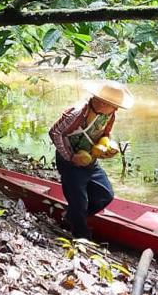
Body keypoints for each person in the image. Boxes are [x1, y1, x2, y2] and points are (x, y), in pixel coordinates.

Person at [48, 80, 134, 239]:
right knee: (79, 201)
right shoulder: (77, 113)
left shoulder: (109, 114)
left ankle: (71, 217)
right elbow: (55, 132)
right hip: (70, 163)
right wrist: (70, 157)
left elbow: (105, 133)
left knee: (105, 194)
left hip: (90, 161)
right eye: (114, 105)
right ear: (102, 102)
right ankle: (81, 236)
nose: (116, 109)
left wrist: (106, 146)